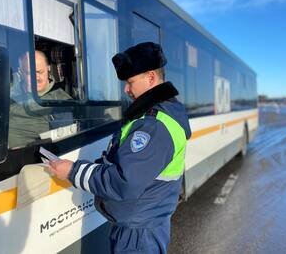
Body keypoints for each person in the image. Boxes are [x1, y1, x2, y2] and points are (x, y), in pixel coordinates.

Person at [48, 42, 191, 253]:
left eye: (130, 82)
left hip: (138, 235)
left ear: (151, 77)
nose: (126, 89)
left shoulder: (153, 125)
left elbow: (124, 182)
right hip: (142, 224)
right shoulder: (154, 115)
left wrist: (72, 170)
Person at [8, 50, 73, 148]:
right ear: (21, 72)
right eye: (30, 73)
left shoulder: (60, 101)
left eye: (40, 72)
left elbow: (64, 145)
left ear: (48, 69)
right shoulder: (9, 89)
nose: (36, 77)